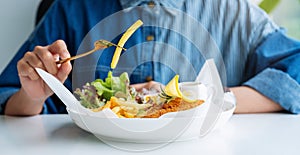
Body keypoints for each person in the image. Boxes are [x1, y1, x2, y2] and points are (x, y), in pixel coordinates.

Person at [0, 0, 299, 116]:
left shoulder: (231, 11)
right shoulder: (73, 8)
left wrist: (202, 99)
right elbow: (10, 97)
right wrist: (32, 95)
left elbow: (295, 69)